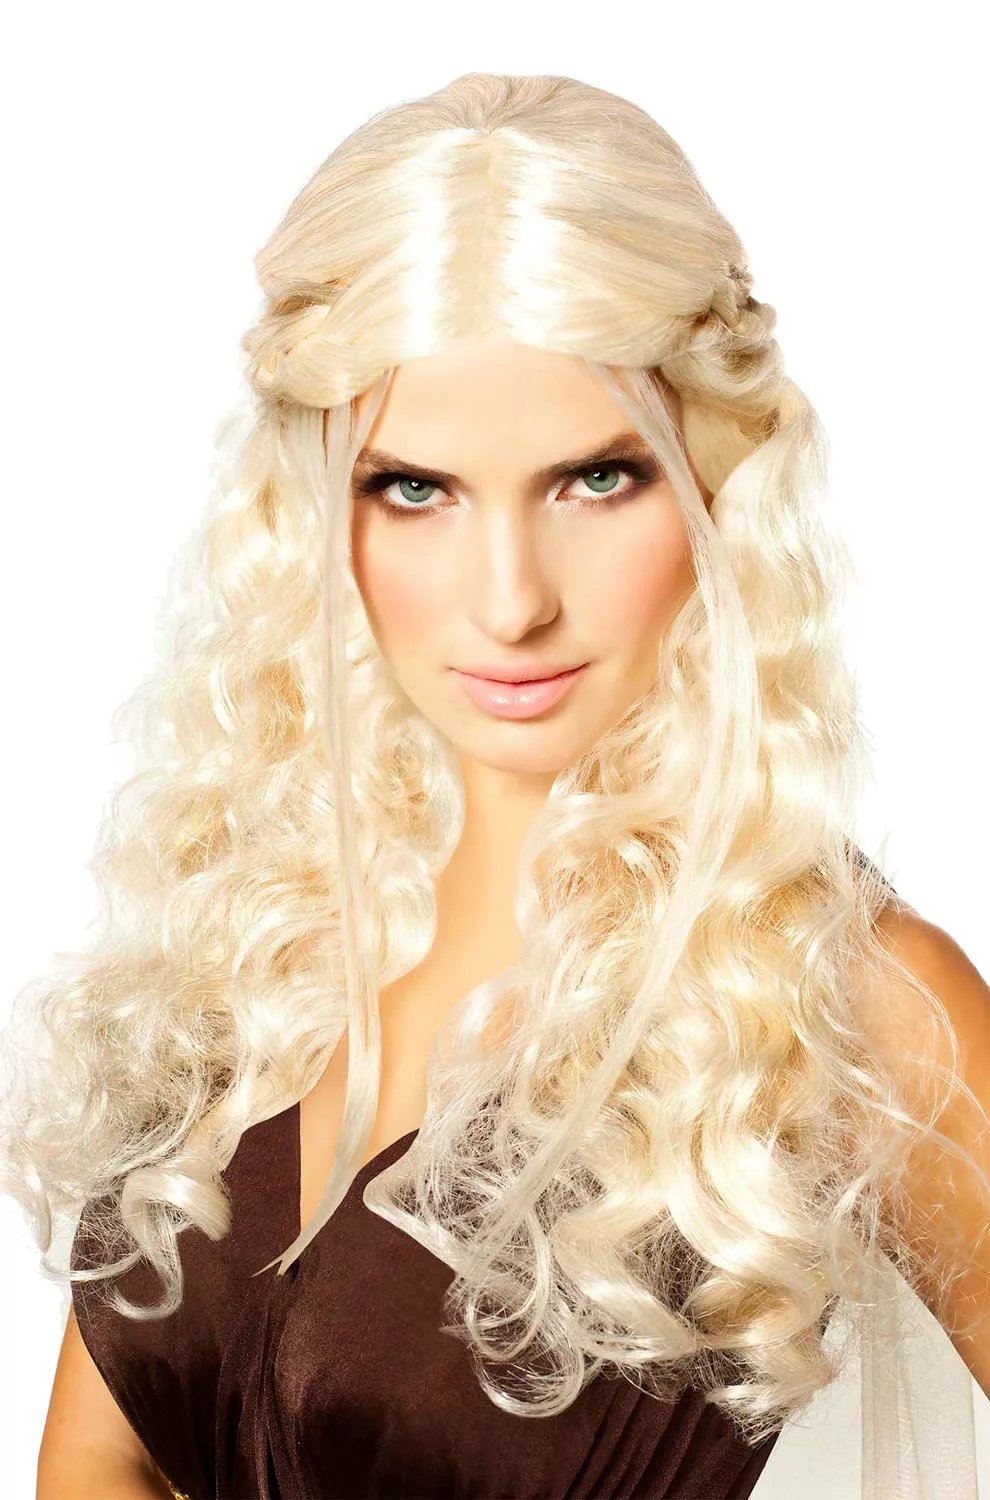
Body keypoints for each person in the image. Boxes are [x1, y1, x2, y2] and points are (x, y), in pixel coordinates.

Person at [4, 70, 987, 1500]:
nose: (512, 600)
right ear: (318, 511)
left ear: (714, 484)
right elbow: (98, 1464)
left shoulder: (839, 999)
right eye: (415, 489)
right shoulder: (256, 951)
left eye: (595, 480)